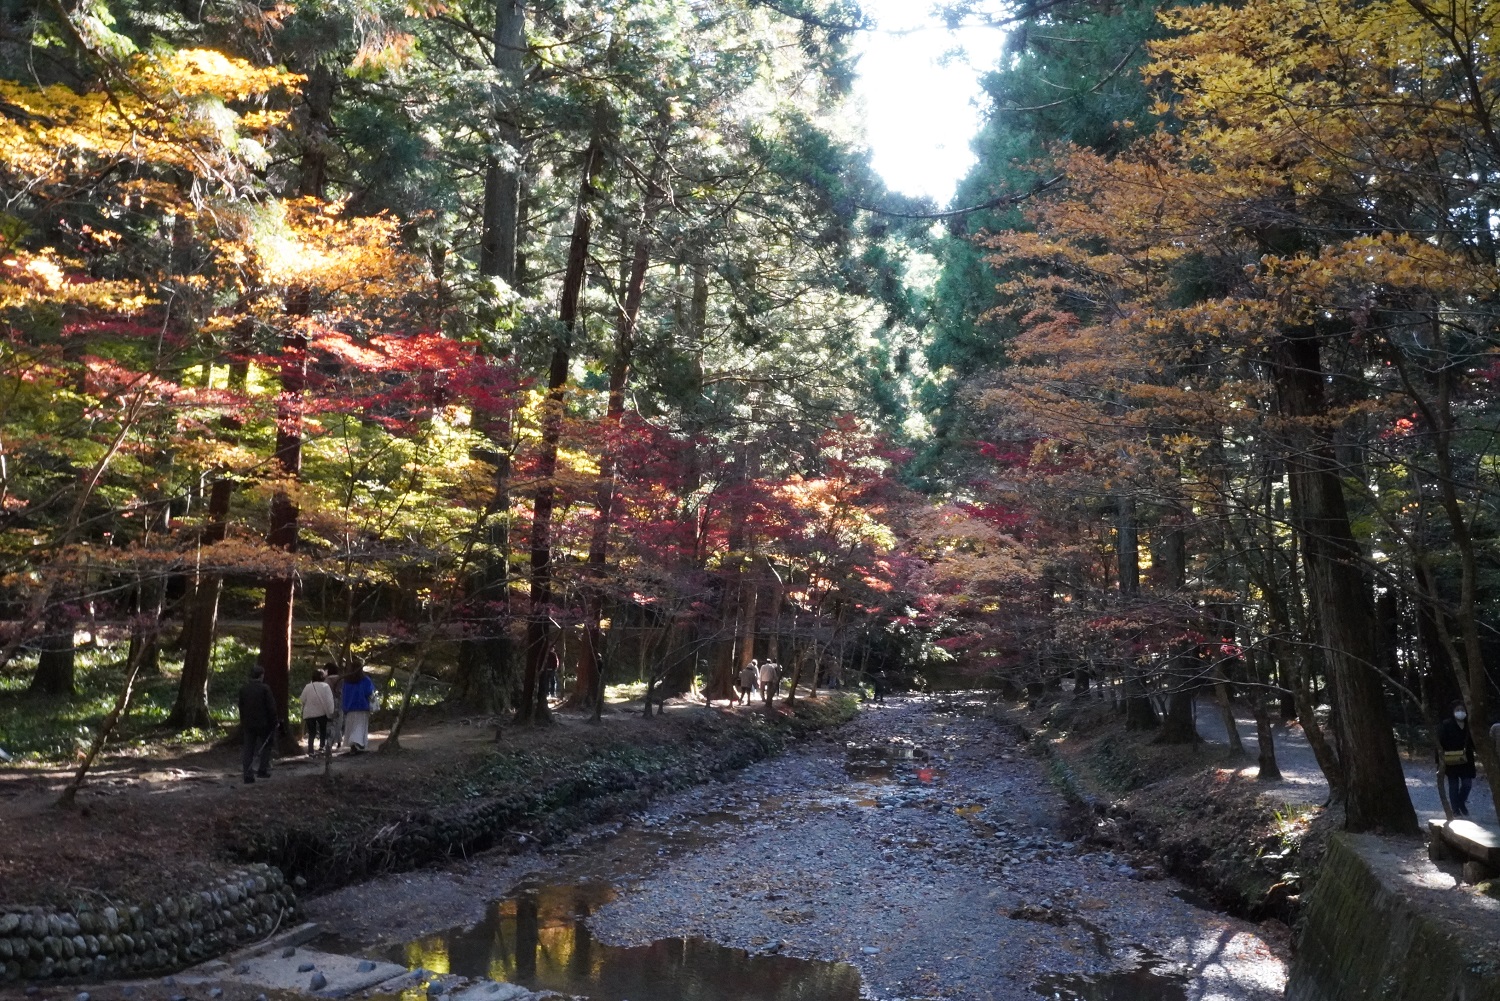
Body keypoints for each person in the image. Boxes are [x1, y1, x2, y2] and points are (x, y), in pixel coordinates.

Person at [238, 663, 280, 784]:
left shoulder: (244, 689)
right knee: (266, 746)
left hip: (248, 723)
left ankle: (247, 774)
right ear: (261, 676)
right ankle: (262, 769)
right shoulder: (265, 689)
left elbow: (241, 706)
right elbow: (271, 707)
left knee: (248, 748)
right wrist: (274, 721)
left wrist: (243, 721)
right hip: (264, 723)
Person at [1438, 700, 1477, 817]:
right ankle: (1455, 809)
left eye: (1462, 710)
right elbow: (1439, 743)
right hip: (1451, 759)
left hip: (1466, 759)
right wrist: (1440, 760)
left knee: (1467, 784)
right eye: (1457, 710)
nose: (1460, 712)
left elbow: (1474, 742)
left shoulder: (1470, 725)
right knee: (1453, 785)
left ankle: (1461, 802)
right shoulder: (1446, 724)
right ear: (1453, 711)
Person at [299, 668, 337, 756]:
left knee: (312, 732)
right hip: (322, 712)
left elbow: (302, 699)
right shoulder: (325, 686)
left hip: (309, 713)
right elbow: (329, 700)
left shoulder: (308, 686)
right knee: (323, 730)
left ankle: (311, 750)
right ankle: (322, 747)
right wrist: (331, 712)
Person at [342, 660, 377, 753]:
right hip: (362, 706)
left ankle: (353, 744)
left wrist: (344, 707)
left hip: (350, 707)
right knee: (360, 726)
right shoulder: (365, 680)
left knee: (352, 726)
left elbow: (344, 695)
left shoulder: (347, 681)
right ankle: (358, 742)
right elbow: (369, 692)